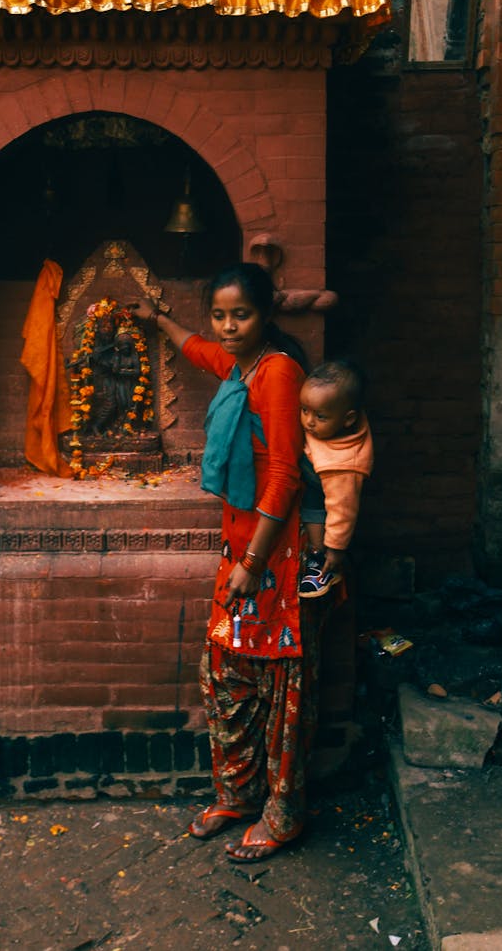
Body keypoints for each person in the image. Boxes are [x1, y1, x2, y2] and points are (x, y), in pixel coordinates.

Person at [131, 263, 320, 864]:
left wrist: (254, 560)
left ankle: (283, 813)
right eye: (221, 315)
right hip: (239, 550)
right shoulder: (241, 367)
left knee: (283, 683)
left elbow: (287, 476)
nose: (229, 327)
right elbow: (203, 353)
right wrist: (159, 321)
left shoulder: (279, 374)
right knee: (227, 674)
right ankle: (237, 793)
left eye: (242, 315)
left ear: (266, 315)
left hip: (278, 554)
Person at [298, 359, 374, 598]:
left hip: (325, 490)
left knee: (317, 509)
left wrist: (335, 549)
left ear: (348, 419)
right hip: (316, 471)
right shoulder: (332, 422)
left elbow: (343, 511)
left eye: (319, 416)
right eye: (304, 410)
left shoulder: (344, 468)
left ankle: (321, 562)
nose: (309, 421)